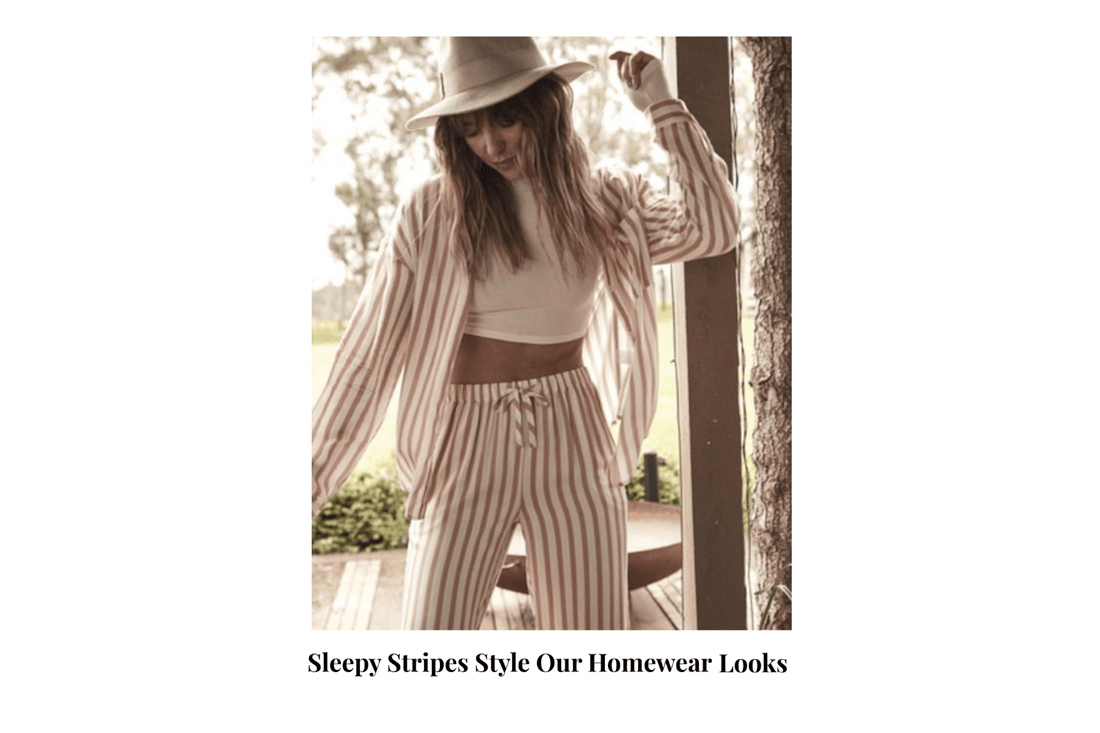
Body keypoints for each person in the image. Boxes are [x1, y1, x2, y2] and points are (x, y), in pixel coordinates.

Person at [311, 37, 740, 630]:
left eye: (508, 117)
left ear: (546, 106)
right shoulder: (432, 210)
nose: (491, 144)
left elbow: (714, 227)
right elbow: (367, 357)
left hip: (572, 428)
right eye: (469, 127)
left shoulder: (604, 197)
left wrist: (662, 108)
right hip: (464, 435)